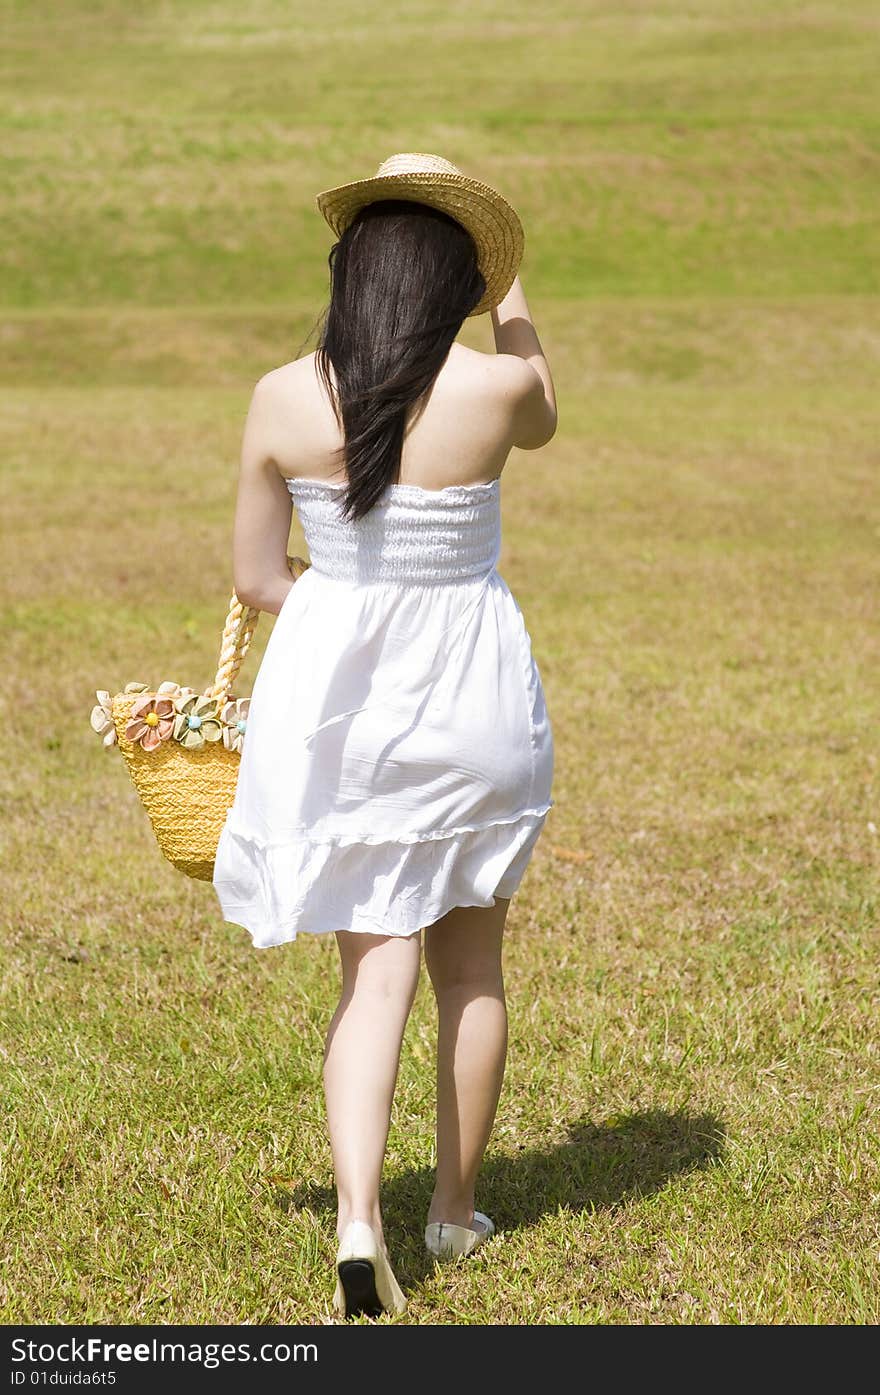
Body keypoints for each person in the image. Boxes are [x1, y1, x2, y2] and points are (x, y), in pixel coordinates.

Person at [211, 153, 557, 1319]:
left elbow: (258, 580)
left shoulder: (280, 395)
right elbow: (544, 403)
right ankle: (452, 1214)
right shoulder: (496, 394)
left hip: (343, 714)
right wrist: (510, 293)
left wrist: (343, 584)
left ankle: (359, 1222)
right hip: (471, 703)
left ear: (347, 266)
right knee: (473, 967)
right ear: (461, 272)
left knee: (374, 977)